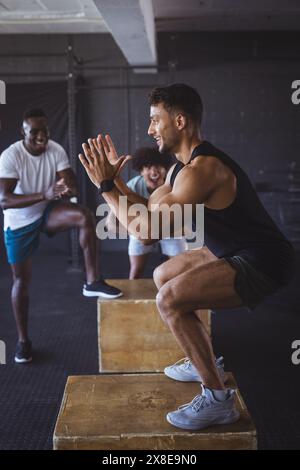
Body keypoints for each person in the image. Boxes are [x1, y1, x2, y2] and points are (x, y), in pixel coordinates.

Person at [79, 84, 295, 431]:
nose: (150, 130)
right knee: (164, 274)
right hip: (232, 249)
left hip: (263, 260)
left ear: (179, 121)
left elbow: (145, 233)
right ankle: (204, 361)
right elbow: (147, 212)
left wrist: (104, 187)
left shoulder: (202, 171)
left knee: (169, 300)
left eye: (155, 120)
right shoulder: (180, 169)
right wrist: (117, 182)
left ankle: (218, 399)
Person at [0, 108, 122, 364]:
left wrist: (66, 188)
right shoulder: (11, 156)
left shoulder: (55, 149)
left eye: (45, 130)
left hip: (47, 212)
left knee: (85, 216)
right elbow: (4, 199)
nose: (41, 136)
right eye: (34, 132)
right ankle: (23, 342)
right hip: (19, 221)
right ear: (23, 132)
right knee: (21, 282)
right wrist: (44, 194)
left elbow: (72, 183)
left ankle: (91, 281)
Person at [106, 146, 187, 279]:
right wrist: (137, 231)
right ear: (141, 171)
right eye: (148, 167)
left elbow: (189, 227)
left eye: (158, 167)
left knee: (179, 272)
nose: (154, 172)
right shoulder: (132, 186)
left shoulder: (175, 186)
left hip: (172, 230)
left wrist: (157, 232)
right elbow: (111, 224)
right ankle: (132, 298)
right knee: (136, 271)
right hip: (141, 230)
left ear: (166, 169)